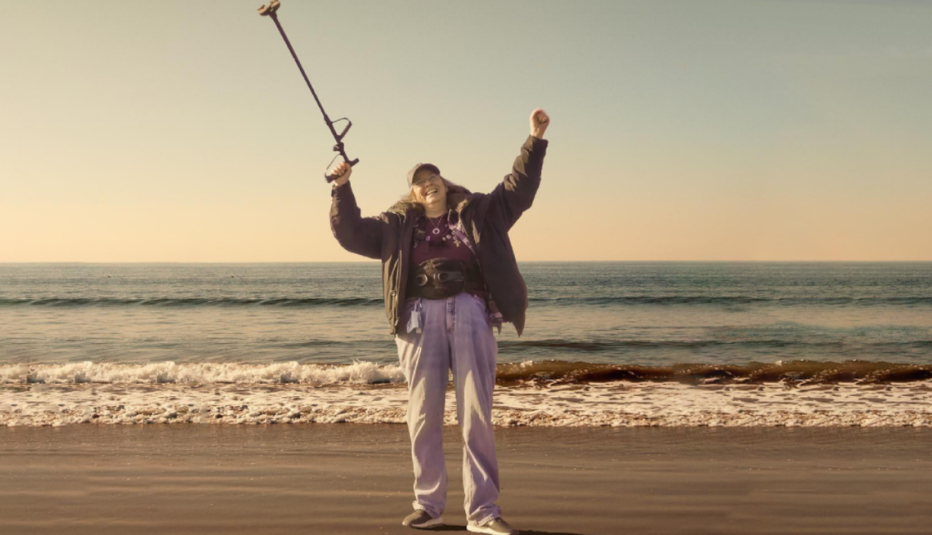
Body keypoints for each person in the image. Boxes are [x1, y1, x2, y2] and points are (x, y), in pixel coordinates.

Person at [329, 109, 550, 534]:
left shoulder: (481, 211)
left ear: (445, 183)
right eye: (419, 181)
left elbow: (518, 190)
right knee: (423, 414)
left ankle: (483, 513)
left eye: (432, 177)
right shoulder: (395, 225)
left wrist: (534, 140)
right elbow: (349, 233)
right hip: (418, 317)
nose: (427, 183)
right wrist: (342, 187)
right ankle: (428, 506)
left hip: (470, 309)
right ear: (413, 193)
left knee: (476, 414)